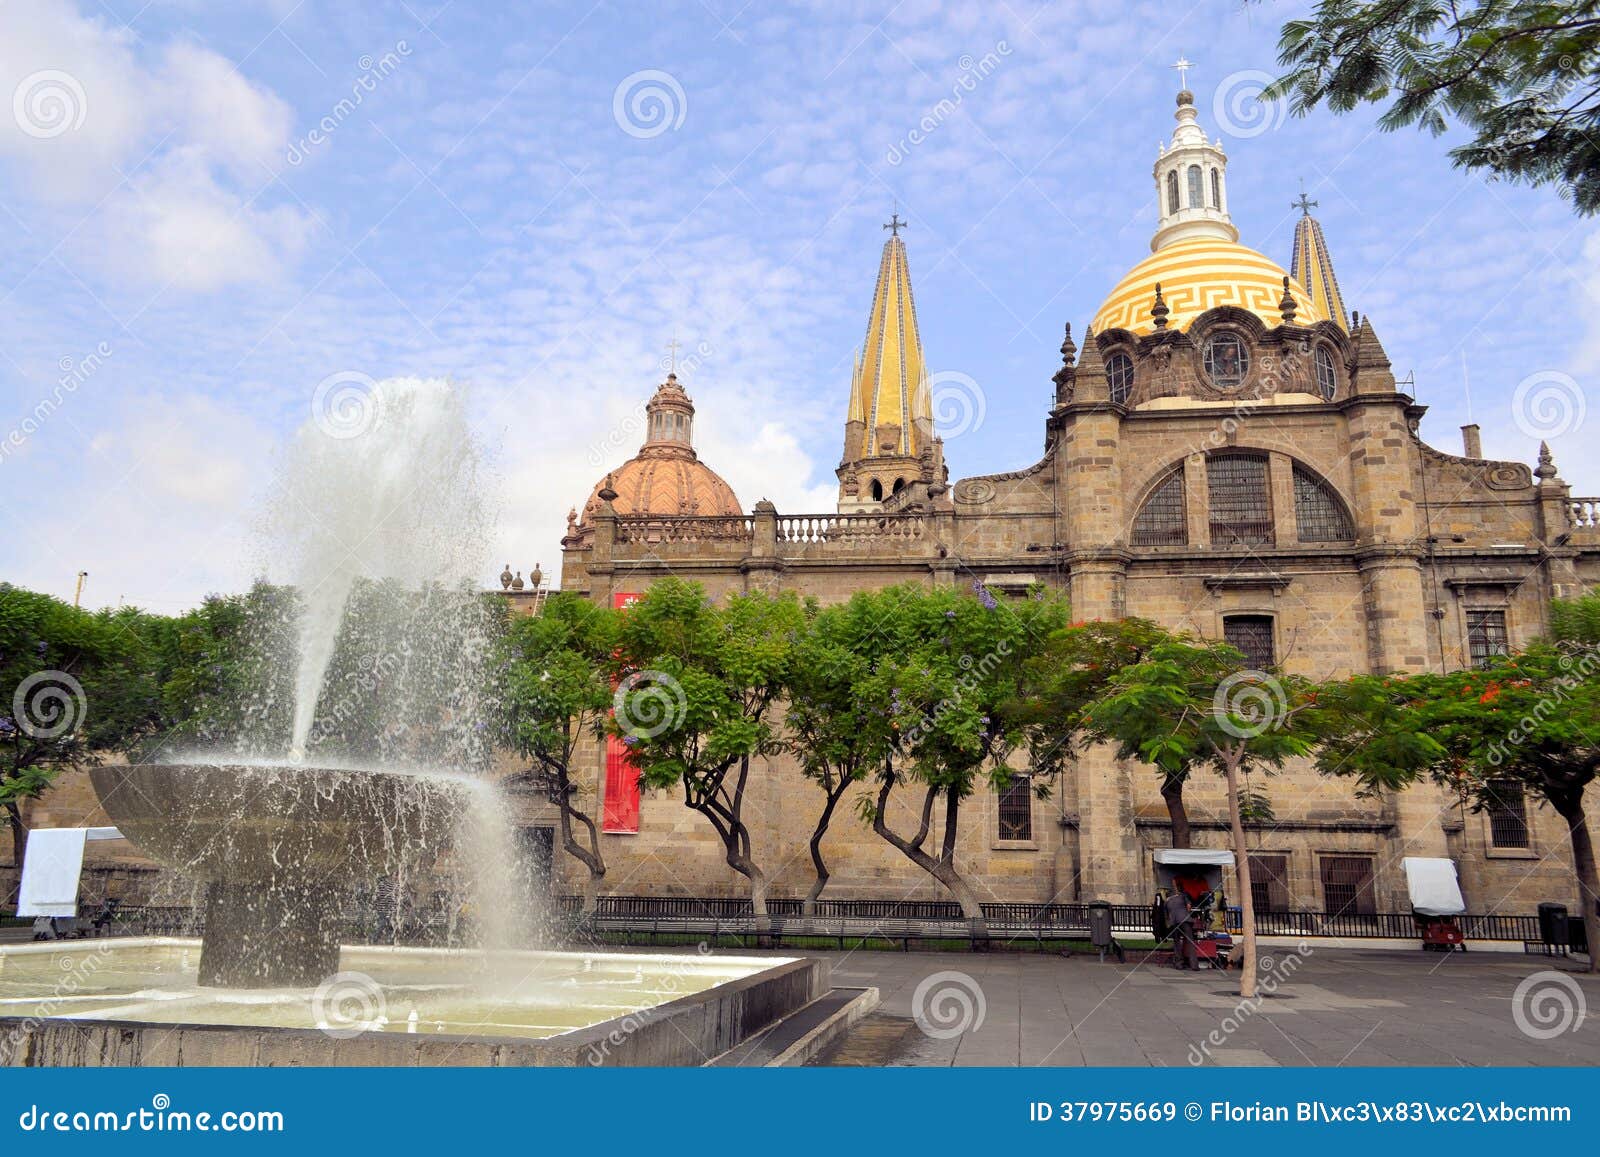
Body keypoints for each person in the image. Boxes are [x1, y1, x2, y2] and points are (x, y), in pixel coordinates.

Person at [1162, 887, 1196, 970]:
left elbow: (1166, 916)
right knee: (1190, 942)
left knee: (1177, 943)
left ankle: (1179, 964)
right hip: (1185, 920)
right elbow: (1189, 907)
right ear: (1176, 893)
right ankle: (1194, 965)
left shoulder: (1166, 902)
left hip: (1174, 923)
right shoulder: (1182, 896)